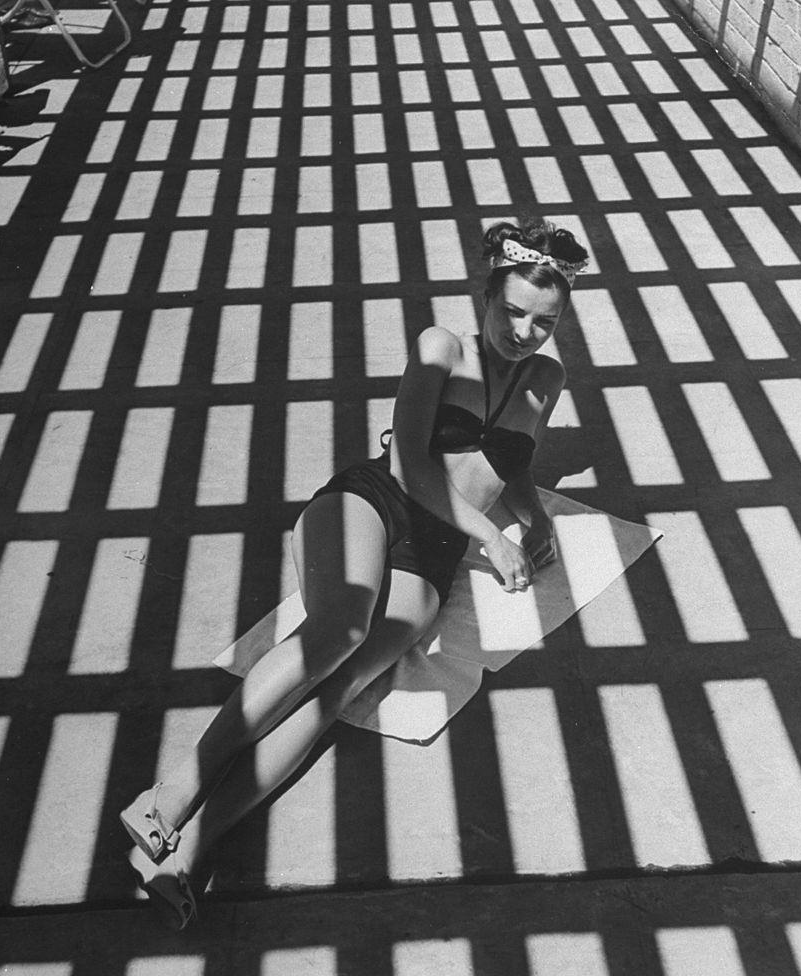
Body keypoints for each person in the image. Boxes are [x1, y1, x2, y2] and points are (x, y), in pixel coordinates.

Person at [121, 216, 589, 929]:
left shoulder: (546, 379)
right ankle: (168, 796)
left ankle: (189, 858)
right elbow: (409, 463)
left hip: (431, 555)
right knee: (338, 629)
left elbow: (513, 463)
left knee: (338, 690)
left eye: (543, 322)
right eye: (512, 311)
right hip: (373, 504)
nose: (523, 332)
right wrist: (491, 536)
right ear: (484, 294)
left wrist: (537, 519)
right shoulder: (440, 347)